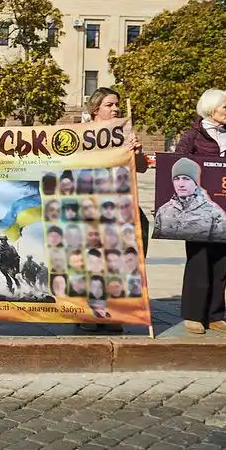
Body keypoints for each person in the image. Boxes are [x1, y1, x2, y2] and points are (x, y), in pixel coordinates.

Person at [170, 90, 226, 335]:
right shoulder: (192, 135)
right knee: (198, 261)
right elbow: (177, 166)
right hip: (197, 209)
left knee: (222, 260)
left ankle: (215, 315)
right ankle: (194, 315)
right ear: (211, 108)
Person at [78, 87, 151, 332]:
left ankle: (115, 311)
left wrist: (137, 153)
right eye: (110, 105)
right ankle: (92, 312)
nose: (115, 109)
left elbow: (141, 168)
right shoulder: (81, 134)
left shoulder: (126, 135)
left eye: (117, 104)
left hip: (121, 209)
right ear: (96, 109)